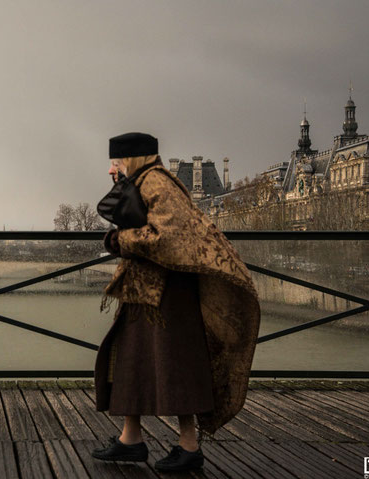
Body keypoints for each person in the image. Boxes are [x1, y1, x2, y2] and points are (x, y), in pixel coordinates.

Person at [92, 132, 260, 473]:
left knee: (177, 365)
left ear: (134, 158)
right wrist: (120, 184)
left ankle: (187, 446)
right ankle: (131, 439)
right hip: (149, 290)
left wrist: (121, 240)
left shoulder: (156, 183)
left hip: (167, 294)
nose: (113, 167)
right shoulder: (144, 180)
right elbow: (123, 210)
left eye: (117, 161)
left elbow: (168, 235)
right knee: (134, 362)